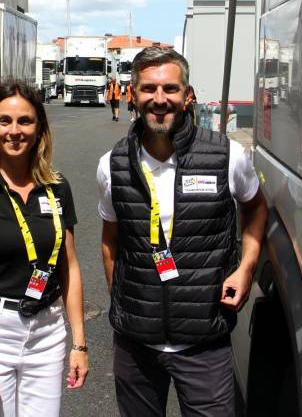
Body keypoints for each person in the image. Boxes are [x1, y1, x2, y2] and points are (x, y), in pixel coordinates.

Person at [96, 47, 268, 417]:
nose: (160, 100)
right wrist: (128, 307)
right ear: (132, 94)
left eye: (170, 89)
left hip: (204, 342)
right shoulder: (111, 165)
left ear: (188, 95)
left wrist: (246, 267)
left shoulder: (227, 156)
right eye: (148, 89)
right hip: (136, 346)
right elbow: (110, 242)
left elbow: (256, 208)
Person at [0, 82, 88, 417]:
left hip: (47, 332)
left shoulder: (57, 188)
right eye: (4, 121)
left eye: (24, 121)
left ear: (39, 128)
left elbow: (69, 266)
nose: (14, 131)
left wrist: (79, 343)